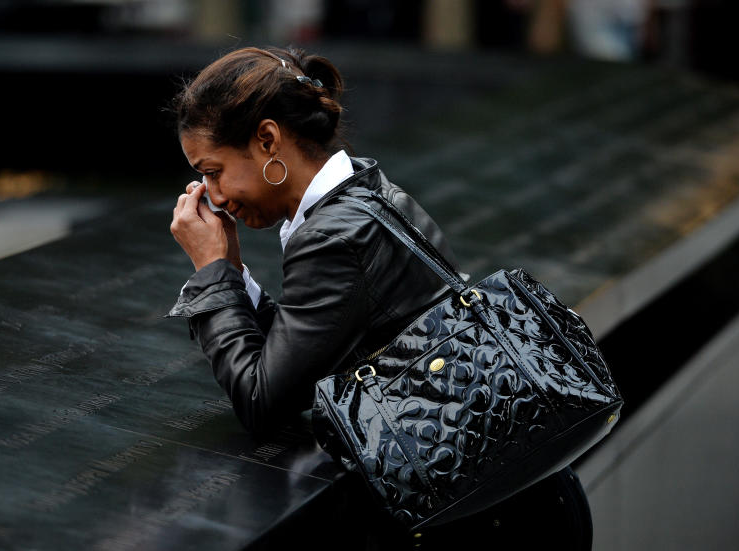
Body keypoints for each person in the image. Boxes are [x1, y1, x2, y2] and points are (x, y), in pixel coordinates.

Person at [167, 46, 591, 550]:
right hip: (518, 498)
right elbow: (311, 343)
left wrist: (212, 273)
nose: (213, 196)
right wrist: (234, 273)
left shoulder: (333, 238)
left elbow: (262, 399)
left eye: (213, 171)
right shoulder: (365, 195)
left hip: (489, 524)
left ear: (267, 139)